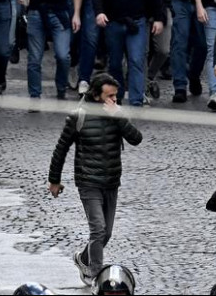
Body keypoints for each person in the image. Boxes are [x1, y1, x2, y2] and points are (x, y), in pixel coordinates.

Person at [49, 72, 143, 285]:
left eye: (116, 96)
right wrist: (54, 180)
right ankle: (95, 275)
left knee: (106, 233)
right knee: (98, 229)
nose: (114, 100)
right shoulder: (78, 116)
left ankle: (83, 258)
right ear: (96, 95)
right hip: (88, 181)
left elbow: (136, 139)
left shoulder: (117, 113)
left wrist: (119, 117)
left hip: (111, 181)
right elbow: (61, 149)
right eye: (109, 96)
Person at [93, 0, 166, 106]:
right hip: (113, 22)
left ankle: (136, 100)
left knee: (136, 61)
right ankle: (115, 98)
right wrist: (99, 12)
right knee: (115, 63)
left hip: (138, 22)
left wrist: (159, 18)